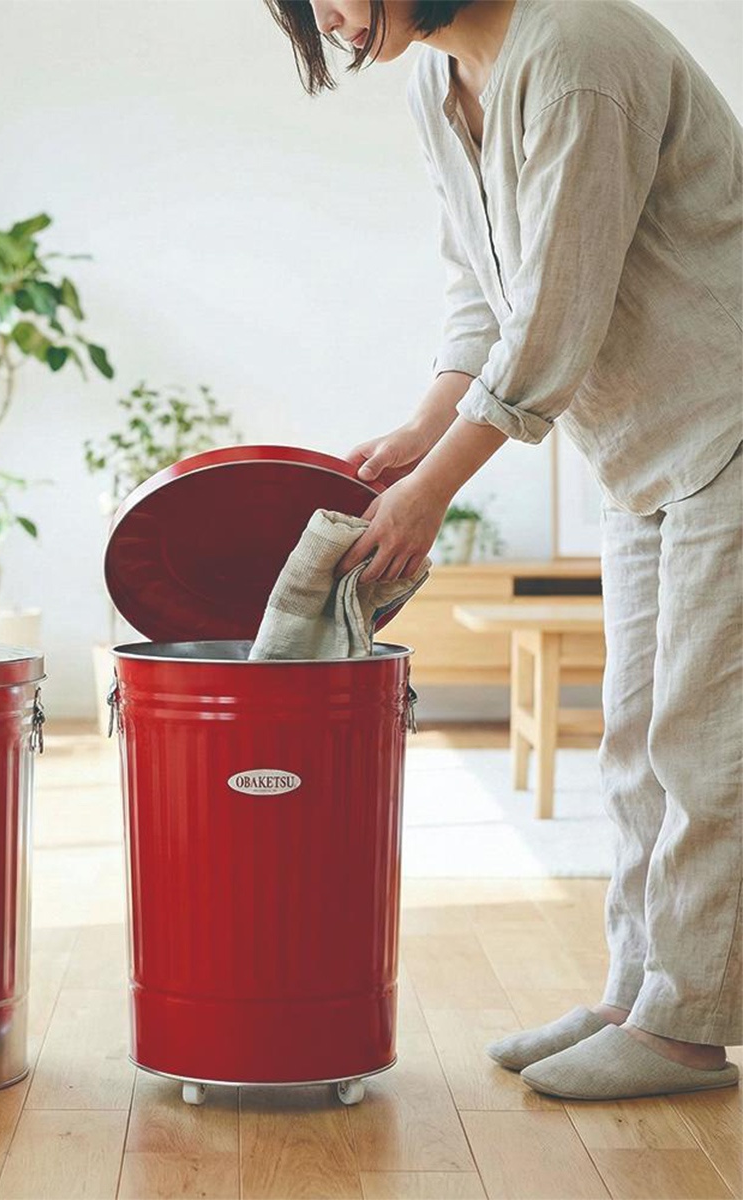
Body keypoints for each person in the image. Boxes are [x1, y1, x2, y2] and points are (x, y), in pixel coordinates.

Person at [265, 0, 741, 1101]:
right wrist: (418, 432)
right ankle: (640, 992)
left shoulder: (575, 54)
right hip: (638, 443)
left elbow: (556, 316)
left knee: (705, 739)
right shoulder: (437, 87)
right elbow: (483, 295)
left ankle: (685, 1029)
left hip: (726, 418)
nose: (328, 14)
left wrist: (433, 493)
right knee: (633, 734)